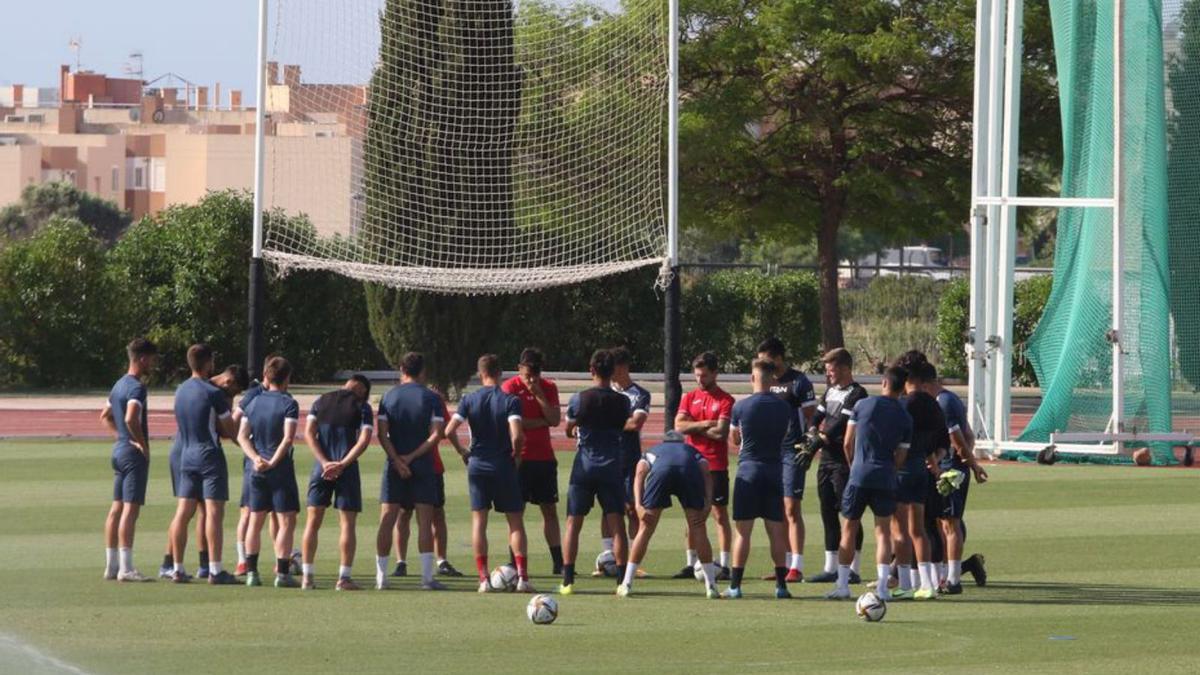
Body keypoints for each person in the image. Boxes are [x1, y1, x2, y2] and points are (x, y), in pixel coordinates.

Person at [444, 354, 535, 593]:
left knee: (479, 522)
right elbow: (516, 435)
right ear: (500, 372)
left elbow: (449, 430)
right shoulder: (510, 400)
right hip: (503, 464)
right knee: (515, 521)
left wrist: (462, 452)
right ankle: (523, 578)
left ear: (480, 373)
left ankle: (483, 579)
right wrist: (515, 457)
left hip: (477, 464)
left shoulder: (469, 399)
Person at [826, 366, 912, 601]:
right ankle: (883, 587)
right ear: (903, 387)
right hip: (885, 476)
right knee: (883, 532)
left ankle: (842, 585)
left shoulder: (863, 405)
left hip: (859, 475)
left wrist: (855, 465)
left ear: (884, 382)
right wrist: (888, 469)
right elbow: (901, 456)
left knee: (849, 527)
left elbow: (847, 442)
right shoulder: (905, 417)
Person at [159, 365, 248, 580]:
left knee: (197, 510)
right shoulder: (214, 393)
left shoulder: (186, 387)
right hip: (199, 452)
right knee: (200, 510)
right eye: (235, 391)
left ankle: (199, 564)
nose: (234, 396)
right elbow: (226, 430)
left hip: (184, 450)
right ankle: (170, 562)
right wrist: (250, 449)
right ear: (229, 382)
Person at [559, 349, 631, 595]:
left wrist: (576, 431)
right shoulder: (623, 401)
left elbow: (568, 428)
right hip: (611, 465)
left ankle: (567, 580)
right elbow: (622, 426)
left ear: (591, 370)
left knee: (573, 523)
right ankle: (622, 582)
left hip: (585, 465)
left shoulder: (579, 399)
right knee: (617, 524)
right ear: (612, 372)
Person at [374, 353, 447, 591]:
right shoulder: (431, 398)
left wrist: (397, 459)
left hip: (393, 465)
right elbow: (436, 434)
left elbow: (382, 434)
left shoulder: (389, 396)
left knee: (387, 519)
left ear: (401, 369)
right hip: (423, 464)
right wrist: (412, 457)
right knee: (424, 521)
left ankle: (381, 578)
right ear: (422, 371)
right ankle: (426, 578)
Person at [723, 359, 794, 599]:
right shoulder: (784, 408)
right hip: (774, 471)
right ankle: (781, 586)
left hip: (748, 471)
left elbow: (733, 438)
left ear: (752, 378)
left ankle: (735, 586)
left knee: (743, 532)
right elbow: (785, 435)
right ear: (773, 379)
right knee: (776, 530)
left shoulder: (741, 407)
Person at [618, 431, 718, 599]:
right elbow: (706, 471)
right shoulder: (692, 451)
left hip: (661, 473)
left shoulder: (653, 450)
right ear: (682, 442)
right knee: (698, 527)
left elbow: (640, 472)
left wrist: (638, 505)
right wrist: (708, 502)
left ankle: (626, 583)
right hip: (688, 471)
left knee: (646, 528)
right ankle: (711, 587)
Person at [301, 374, 375, 590]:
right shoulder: (362, 407)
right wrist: (342, 464)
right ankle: (344, 577)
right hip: (347, 468)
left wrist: (324, 462)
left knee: (312, 522)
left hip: (320, 469)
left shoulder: (321, 401)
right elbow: (364, 439)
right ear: (361, 389)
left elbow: (308, 434)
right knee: (347, 524)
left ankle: (307, 576)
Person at [236, 356, 301, 588]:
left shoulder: (253, 402)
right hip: (279, 468)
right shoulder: (288, 403)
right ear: (287, 378)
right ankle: (282, 573)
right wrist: (273, 462)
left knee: (255, 519)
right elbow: (288, 438)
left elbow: (242, 436)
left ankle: (252, 571)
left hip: (256, 468)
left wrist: (255, 458)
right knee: (286, 521)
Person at [756, 337, 817, 583]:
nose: (762, 365)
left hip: (791, 451)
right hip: (770, 452)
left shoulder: (799, 381)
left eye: (766, 360)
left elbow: (811, 417)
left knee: (791, 507)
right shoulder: (766, 382)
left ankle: (797, 566)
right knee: (776, 509)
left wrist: (809, 445)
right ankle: (782, 566)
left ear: (778, 358)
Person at [807, 348, 870, 584]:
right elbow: (818, 415)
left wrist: (818, 438)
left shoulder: (857, 393)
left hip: (844, 461)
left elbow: (840, 424)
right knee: (827, 510)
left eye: (832, 370)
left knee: (849, 514)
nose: (829, 375)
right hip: (826, 460)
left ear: (845, 368)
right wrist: (813, 431)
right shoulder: (831, 390)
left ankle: (853, 568)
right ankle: (830, 567)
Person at [100, 337, 159, 582]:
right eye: (152, 360)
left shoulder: (118, 385)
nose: (153, 365)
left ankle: (111, 566)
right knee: (130, 510)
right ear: (143, 359)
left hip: (119, 451)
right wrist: (140, 444)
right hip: (132, 455)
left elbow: (104, 416)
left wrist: (120, 438)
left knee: (116, 508)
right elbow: (130, 418)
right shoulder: (136, 388)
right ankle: (126, 567)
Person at [926, 363, 989, 593]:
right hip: (945, 468)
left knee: (950, 523)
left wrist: (968, 464)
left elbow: (960, 439)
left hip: (949, 471)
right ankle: (950, 574)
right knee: (943, 524)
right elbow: (968, 434)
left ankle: (952, 580)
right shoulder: (947, 400)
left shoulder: (944, 402)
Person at [672, 352, 735, 580]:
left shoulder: (726, 400)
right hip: (691, 463)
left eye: (704, 375)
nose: (700, 379)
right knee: (691, 514)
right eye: (697, 375)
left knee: (719, 514)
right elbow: (678, 426)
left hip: (716, 465)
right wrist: (705, 424)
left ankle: (725, 564)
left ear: (715, 374)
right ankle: (691, 563)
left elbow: (721, 433)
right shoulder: (689, 397)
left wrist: (694, 426)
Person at [501, 348, 563, 574]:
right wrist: (540, 421)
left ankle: (558, 562)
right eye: (528, 373)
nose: (532, 378)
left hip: (544, 458)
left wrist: (538, 394)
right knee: (516, 512)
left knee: (549, 510)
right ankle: (514, 561)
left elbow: (555, 420)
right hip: (519, 458)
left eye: (536, 373)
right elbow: (510, 423)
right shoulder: (509, 387)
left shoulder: (548, 388)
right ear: (519, 369)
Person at [393, 395, 463, 579]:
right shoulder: (402, 397)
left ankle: (438, 561)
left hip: (424, 464)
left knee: (432, 514)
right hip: (420, 464)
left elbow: (445, 430)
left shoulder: (431, 399)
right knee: (407, 514)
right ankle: (402, 562)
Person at [894, 361, 947, 600]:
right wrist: (933, 459)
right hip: (920, 470)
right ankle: (927, 584)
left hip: (902, 469)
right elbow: (943, 443)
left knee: (899, 530)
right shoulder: (935, 407)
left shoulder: (904, 404)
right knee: (919, 529)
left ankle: (905, 583)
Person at [603, 346, 651, 570]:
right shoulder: (605, 391)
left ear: (622, 367)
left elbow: (635, 423)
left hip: (629, 458)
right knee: (608, 509)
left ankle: (633, 560)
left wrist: (607, 423)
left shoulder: (640, 394)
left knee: (632, 509)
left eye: (613, 367)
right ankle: (607, 557)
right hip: (608, 458)